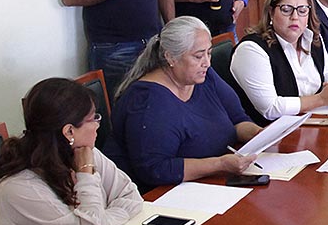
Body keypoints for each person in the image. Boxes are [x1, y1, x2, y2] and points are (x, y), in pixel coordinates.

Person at [0, 78, 143, 225]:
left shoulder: (84, 153)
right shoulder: (19, 186)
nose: (98, 124)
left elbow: (130, 196)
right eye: (93, 118)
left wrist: (101, 223)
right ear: (69, 131)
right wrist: (86, 175)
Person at [107, 16, 261, 190]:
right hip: (164, 193)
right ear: (171, 57)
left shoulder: (203, 76)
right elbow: (155, 170)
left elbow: (237, 119)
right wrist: (219, 164)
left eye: (209, 53)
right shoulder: (146, 102)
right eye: (198, 56)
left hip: (213, 182)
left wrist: (259, 134)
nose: (207, 63)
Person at [231, 0, 328, 123]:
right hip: (270, 131)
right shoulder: (251, 50)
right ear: (271, 12)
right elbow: (271, 109)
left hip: (313, 121)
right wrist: (321, 98)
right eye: (286, 9)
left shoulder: (312, 39)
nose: (295, 17)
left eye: (302, 10)